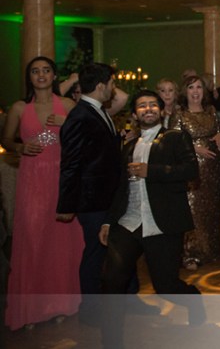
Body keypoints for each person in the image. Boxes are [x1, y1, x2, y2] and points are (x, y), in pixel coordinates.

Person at [98, 90, 204, 346]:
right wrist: (109, 221)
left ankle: (193, 299)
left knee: (165, 286)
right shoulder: (129, 147)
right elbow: (121, 188)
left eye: (153, 105)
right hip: (129, 223)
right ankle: (111, 342)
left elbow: (190, 170)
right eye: (142, 106)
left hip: (162, 223)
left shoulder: (176, 138)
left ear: (161, 110)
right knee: (111, 280)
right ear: (135, 115)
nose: (148, 109)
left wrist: (151, 171)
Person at [3, 57, 82, 330]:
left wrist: (67, 123)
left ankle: (61, 305)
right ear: (30, 78)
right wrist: (19, 148)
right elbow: (6, 139)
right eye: (35, 71)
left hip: (61, 180)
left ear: (54, 76)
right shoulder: (19, 108)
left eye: (46, 70)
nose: (41, 75)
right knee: (33, 241)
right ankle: (31, 310)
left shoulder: (68, 105)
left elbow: (86, 136)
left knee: (60, 243)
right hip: (32, 182)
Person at [56, 62, 123, 323]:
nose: (113, 88)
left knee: (113, 250)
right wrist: (66, 205)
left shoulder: (96, 110)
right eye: (112, 83)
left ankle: (125, 299)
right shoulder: (79, 116)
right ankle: (91, 310)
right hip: (92, 200)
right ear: (100, 86)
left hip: (107, 196)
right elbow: (70, 163)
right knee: (95, 254)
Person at [170, 75, 220, 270]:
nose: (195, 91)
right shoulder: (180, 114)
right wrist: (194, 148)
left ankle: (210, 250)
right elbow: (173, 141)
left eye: (199, 87)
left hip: (214, 170)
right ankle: (191, 254)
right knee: (193, 212)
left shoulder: (211, 111)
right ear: (185, 92)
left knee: (212, 210)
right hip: (192, 171)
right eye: (191, 87)